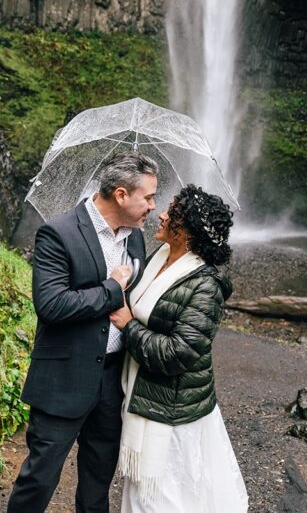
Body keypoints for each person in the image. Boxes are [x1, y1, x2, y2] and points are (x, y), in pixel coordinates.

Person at [7, 150, 158, 513]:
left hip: (111, 379)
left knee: (98, 482)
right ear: (121, 194)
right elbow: (52, 305)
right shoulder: (59, 232)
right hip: (64, 376)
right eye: (148, 196)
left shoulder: (135, 237)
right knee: (39, 478)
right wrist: (110, 288)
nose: (153, 206)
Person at [109, 184, 248, 512]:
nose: (161, 214)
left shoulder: (205, 286)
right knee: (143, 489)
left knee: (164, 495)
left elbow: (178, 354)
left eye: (171, 212)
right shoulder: (159, 257)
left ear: (185, 231)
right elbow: (151, 308)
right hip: (145, 395)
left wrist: (129, 325)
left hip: (173, 410)